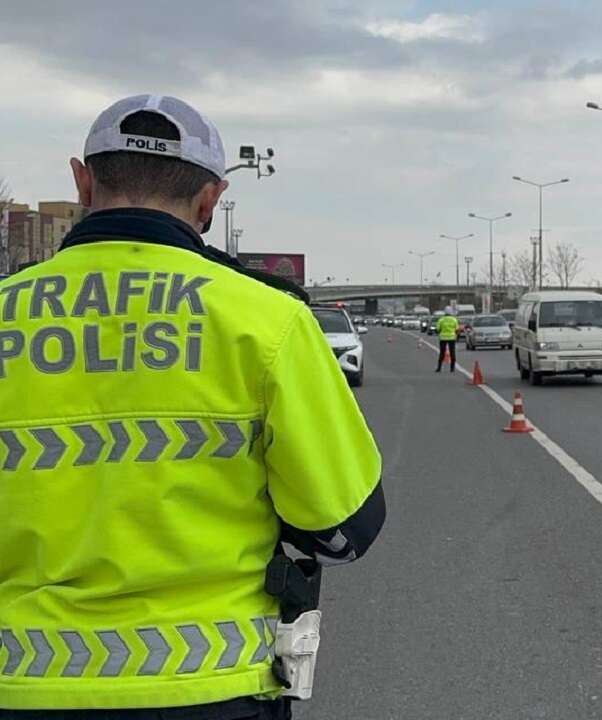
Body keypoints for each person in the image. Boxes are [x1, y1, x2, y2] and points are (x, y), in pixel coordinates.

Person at [0, 95, 385, 719]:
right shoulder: (268, 320)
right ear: (210, 200)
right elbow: (345, 528)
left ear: (82, 182)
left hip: (20, 684)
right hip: (211, 686)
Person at [435, 307, 459, 373]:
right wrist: (456, 336)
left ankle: (439, 368)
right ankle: (452, 368)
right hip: (452, 338)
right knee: (452, 353)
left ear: (444, 312)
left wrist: (440, 333)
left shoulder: (441, 320)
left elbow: (438, 329)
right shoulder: (454, 320)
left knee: (442, 353)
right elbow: (457, 329)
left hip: (443, 338)